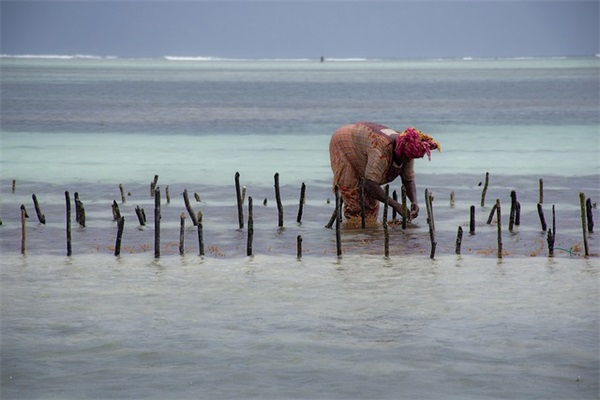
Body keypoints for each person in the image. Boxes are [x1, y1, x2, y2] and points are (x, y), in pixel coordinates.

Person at [329, 121, 441, 222]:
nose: (408, 161)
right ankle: (352, 239)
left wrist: (414, 202)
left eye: (411, 158)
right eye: (406, 158)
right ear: (399, 152)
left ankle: (366, 238)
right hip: (344, 142)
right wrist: (395, 205)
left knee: (370, 206)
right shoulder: (382, 150)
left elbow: (408, 180)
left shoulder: (407, 149)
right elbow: (370, 183)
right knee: (354, 202)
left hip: (363, 145)